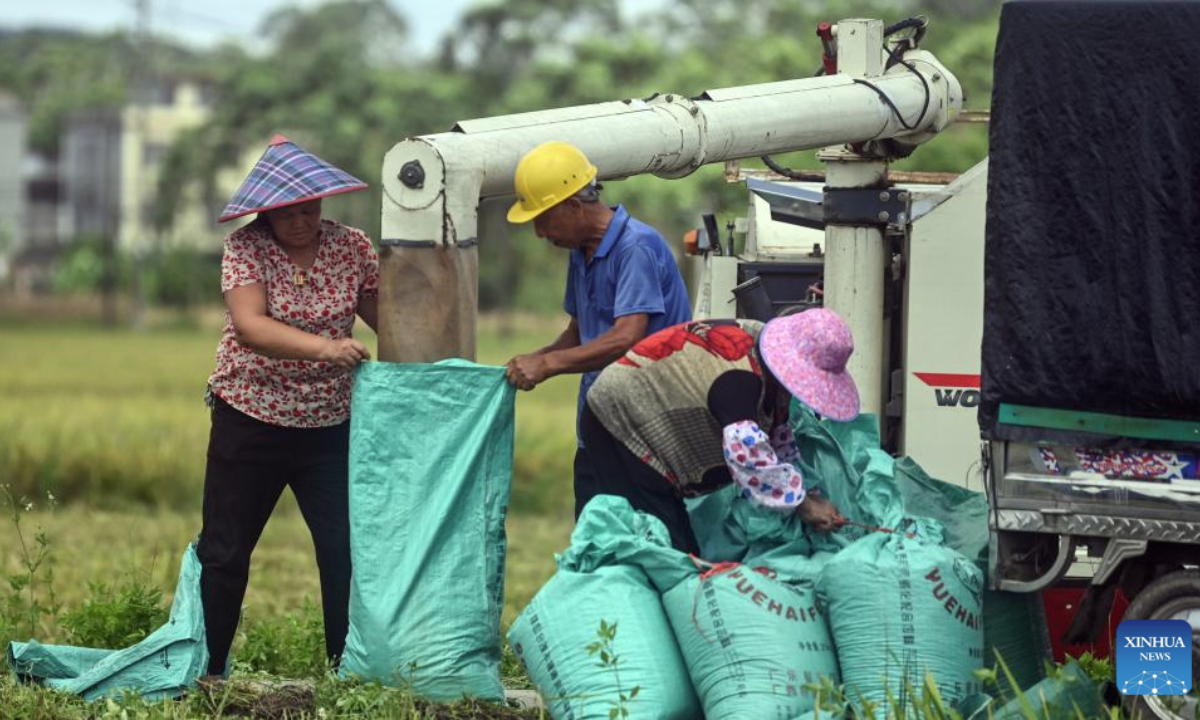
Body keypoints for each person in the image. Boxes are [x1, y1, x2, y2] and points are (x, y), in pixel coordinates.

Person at [198, 135, 378, 677]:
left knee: (344, 549)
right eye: (288, 212)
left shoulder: (353, 248)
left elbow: (388, 320)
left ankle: (345, 667)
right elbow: (251, 327)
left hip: (328, 424)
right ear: (266, 211)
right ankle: (212, 666)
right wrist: (327, 348)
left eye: (310, 208)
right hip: (250, 417)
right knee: (226, 550)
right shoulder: (246, 249)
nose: (301, 220)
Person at [503, 141, 692, 519]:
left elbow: (627, 337)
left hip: (646, 430)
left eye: (543, 219)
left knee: (644, 539)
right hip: (599, 421)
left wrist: (550, 364)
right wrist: (534, 359)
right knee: (594, 534)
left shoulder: (635, 246)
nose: (540, 233)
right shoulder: (581, 252)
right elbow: (580, 331)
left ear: (573, 206)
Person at [581, 310, 856, 553]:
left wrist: (812, 493)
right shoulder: (739, 380)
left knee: (674, 543)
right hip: (621, 419)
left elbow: (778, 436)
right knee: (664, 547)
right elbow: (748, 455)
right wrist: (803, 504)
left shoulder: (766, 358)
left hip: (639, 417)